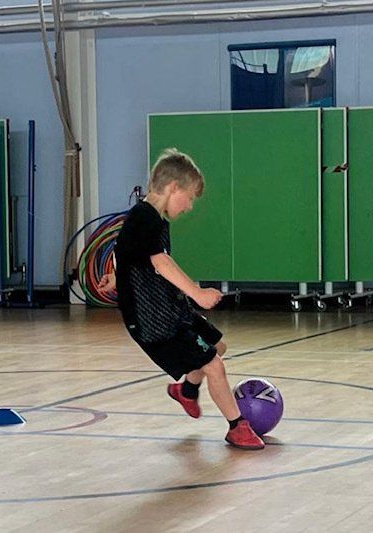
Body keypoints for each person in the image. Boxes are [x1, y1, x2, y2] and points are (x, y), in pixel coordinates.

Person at [99, 148, 264, 450]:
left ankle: (186, 390)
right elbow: (160, 263)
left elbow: (127, 252)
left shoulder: (150, 219)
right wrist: (198, 293)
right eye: (189, 197)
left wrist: (115, 276)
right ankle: (236, 427)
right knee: (214, 365)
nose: (189, 206)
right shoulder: (144, 217)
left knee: (217, 346)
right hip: (153, 322)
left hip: (169, 309)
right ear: (173, 187)